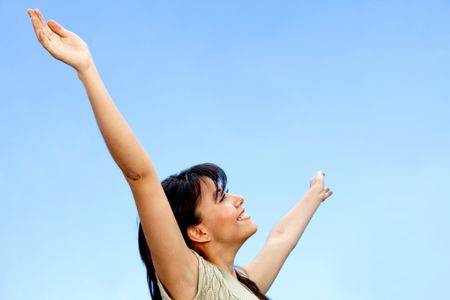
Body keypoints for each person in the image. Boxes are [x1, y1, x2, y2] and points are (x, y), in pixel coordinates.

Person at [27, 8, 334, 300]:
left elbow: (281, 239)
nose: (237, 198)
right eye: (221, 196)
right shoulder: (191, 280)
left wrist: (314, 195)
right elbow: (140, 176)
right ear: (198, 231)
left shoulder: (244, 285)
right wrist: (87, 69)